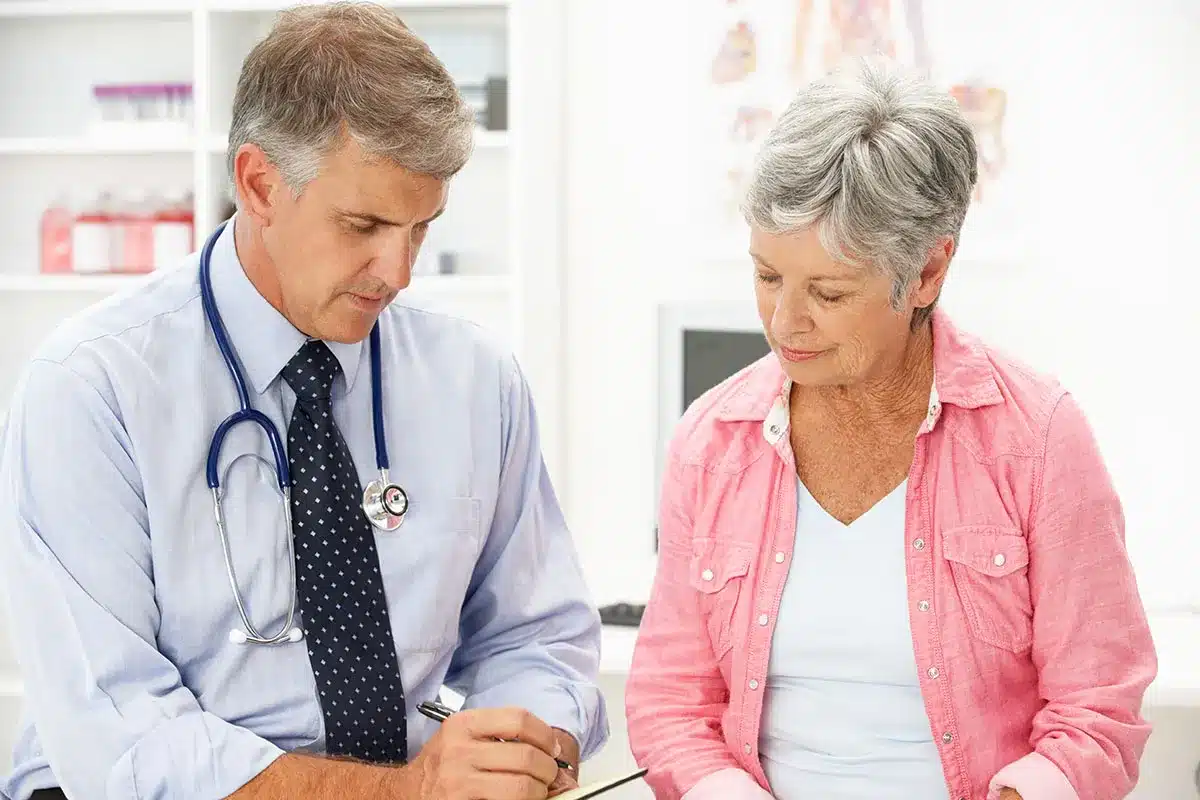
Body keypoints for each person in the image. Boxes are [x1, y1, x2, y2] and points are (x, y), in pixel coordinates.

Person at [0, 4, 607, 799]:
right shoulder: (91, 388)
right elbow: (122, 744)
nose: (398, 272)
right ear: (259, 184)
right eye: (364, 225)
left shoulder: (475, 378)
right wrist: (411, 792)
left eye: (421, 229)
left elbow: (539, 636)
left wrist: (521, 743)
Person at [625, 58, 1156, 800]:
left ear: (929, 273)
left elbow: (1097, 712)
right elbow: (671, 704)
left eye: (829, 292)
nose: (784, 323)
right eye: (768, 276)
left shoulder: (1039, 440)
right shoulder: (711, 443)